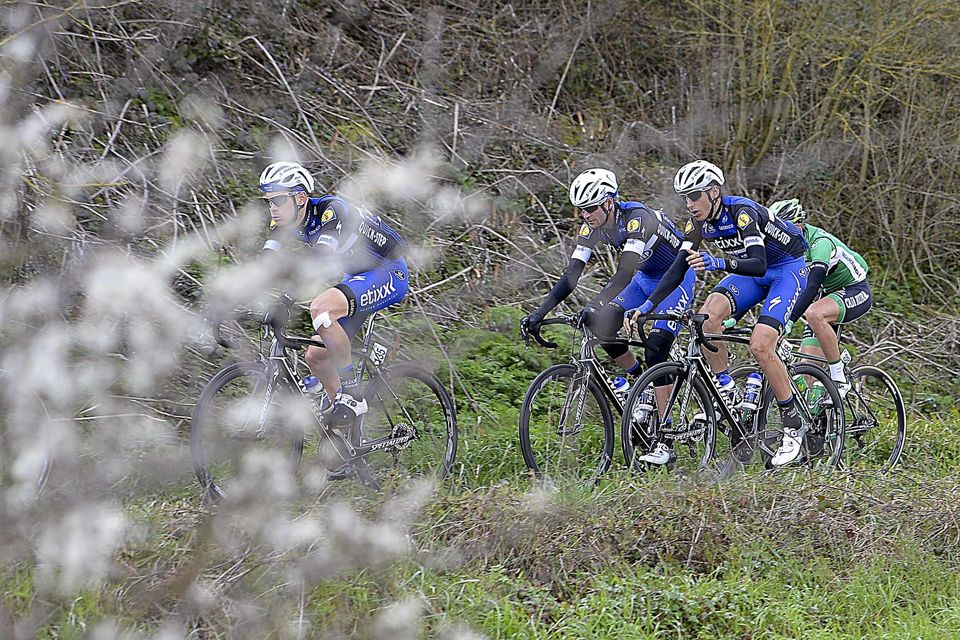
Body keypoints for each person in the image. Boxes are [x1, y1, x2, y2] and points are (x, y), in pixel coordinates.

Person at [632, 160, 810, 466]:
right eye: (685, 198)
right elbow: (677, 269)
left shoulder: (742, 213)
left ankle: (793, 426)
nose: (690, 204)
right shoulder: (696, 224)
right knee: (705, 320)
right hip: (749, 274)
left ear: (714, 192)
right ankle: (727, 389)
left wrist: (716, 263)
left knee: (761, 344)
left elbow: (759, 263)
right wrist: (647, 306)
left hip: (785, 269)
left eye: (695, 195)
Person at [520, 168, 695, 465]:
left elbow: (624, 272)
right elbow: (571, 276)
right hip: (644, 279)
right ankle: (642, 383)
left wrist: (594, 303)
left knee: (656, 349)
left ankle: (665, 440)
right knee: (603, 325)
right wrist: (538, 313)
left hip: (675, 279)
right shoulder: (591, 228)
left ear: (609, 202)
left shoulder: (638, 218)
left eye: (590, 209)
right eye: (581, 210)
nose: (586, 216)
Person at [257, 161, 408, 427]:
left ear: (300, 197)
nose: (273, 208)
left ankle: (352, 394)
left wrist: (287, 300)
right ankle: (345, 441)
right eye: (269, 202)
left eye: (278, 200)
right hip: (357, 276)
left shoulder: (331, 211)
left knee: (321, 309)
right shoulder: (282, 221)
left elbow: (319, 263)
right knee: (316, 357)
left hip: (388, 271)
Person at [769, 198, 872, 399]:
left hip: (854, 289)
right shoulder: (788, 249)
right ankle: (819, 421)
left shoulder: (819, 243)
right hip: (827, 295)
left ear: (798, 225)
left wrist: (788, 322)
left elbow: (812, 284)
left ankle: (838, 374)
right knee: (807, 369)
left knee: (814, 313)